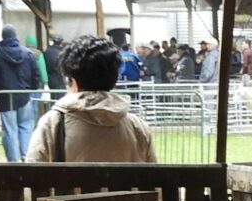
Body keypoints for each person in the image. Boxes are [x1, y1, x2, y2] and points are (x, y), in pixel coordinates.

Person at [28, 33, 157, 163]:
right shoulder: (138, 127)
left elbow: (31, 176)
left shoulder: (52, 124)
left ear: (73, 81)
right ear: (113, 78)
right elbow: (154, 178)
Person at [0, 25, 44, 160]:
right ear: (15, 36)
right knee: (26, 127)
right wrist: (31, 89)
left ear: (3, 37)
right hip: (24, 96)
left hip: (4, 98)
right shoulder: (28, 54)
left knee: (10, 130)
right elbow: (36, 75)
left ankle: (13, 162)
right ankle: (27, 157)